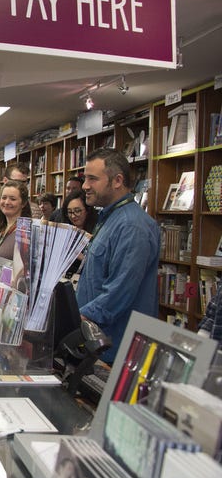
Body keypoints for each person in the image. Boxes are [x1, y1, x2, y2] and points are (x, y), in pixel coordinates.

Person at [76, 148, 159, 364]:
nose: (85, 186)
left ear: (117, 180)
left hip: (117, 350)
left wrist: (75, 319)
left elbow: (119, 292)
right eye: (85, 178)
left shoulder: (132, 226)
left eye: (92, 179)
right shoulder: (110, 218)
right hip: (98, 342)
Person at [0, 164, 42, 244]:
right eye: (16, 182)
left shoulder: (35, 209)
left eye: (24, 182)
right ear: (5, 181)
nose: (21, 186)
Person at [0, 180, 31, 269]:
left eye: (13, 199)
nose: (7, 202)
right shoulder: (0, 229)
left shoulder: (26, 232)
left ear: (23, 203)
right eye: (4, 198)